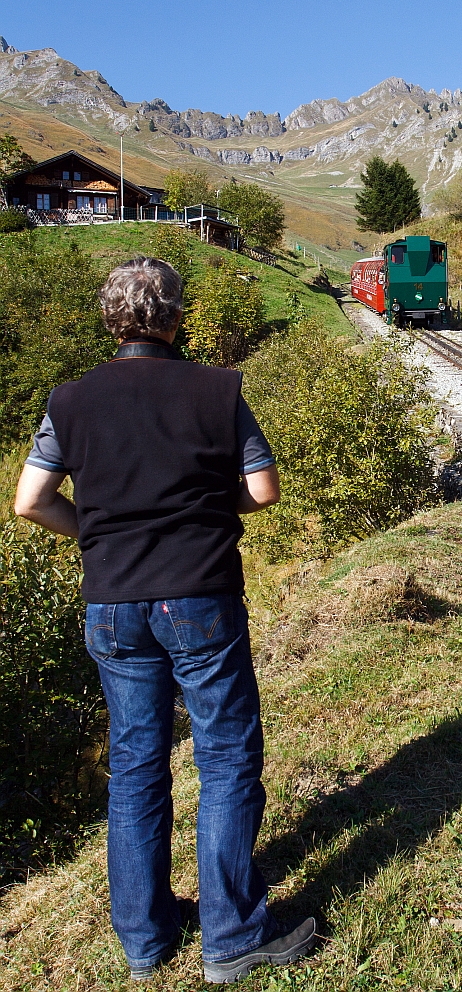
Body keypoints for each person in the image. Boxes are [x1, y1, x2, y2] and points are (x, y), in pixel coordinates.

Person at [14, 257, 316, 984]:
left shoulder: (70, 400)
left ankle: (146, 941)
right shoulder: (218, 391)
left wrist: (96, 530)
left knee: (137, 767)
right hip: (200, 596)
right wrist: (209, 514)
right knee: (226, 758)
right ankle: (233, 936)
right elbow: (262, 489)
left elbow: (30, 501)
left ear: (110, 319)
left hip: (113, 605)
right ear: (177, 317)